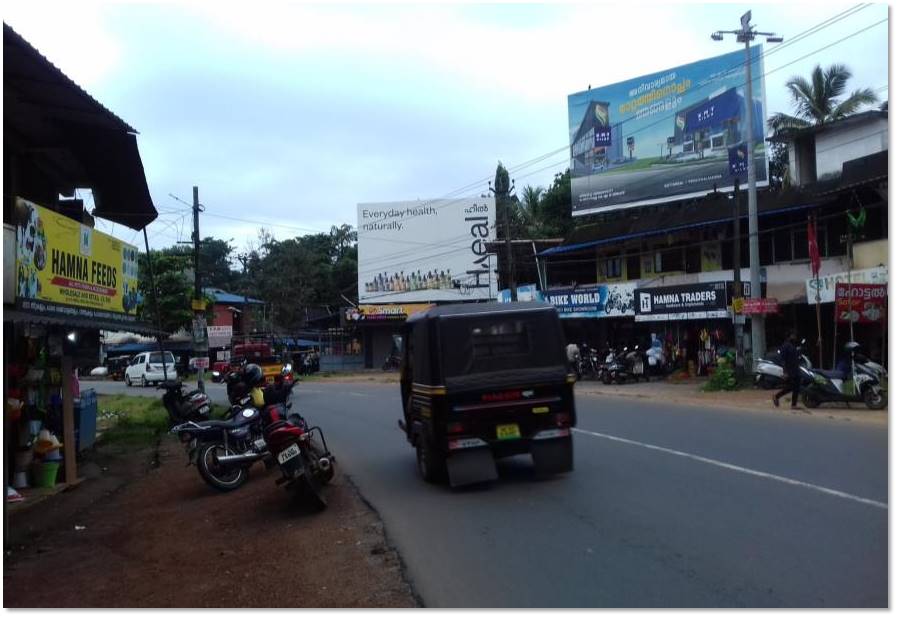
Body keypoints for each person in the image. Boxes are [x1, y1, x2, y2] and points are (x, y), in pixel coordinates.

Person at [773, 331, 803, 409]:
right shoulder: (785, 346)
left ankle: (793, 404)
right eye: (793, 335)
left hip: (795, 369)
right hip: (790, 370)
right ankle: (777, 396)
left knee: (796, 386)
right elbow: (782, 359)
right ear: (789, 336)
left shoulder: (793, 345)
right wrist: (785, 371)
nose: (795, 337)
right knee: (792, 386)